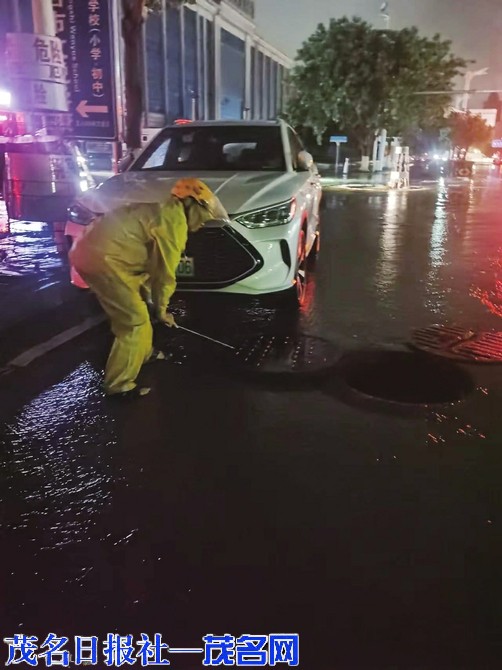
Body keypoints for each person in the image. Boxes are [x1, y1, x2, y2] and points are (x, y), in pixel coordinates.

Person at [70, 178, 229, 399]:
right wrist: (162, 310)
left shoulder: (163, 211)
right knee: (133, 322)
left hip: (101, 255)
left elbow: (150, 265)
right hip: (105, 261)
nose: (204, 222)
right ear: (193, 205)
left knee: (138, 311)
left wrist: (152, 300)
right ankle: (119, 386)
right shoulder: (173, 223)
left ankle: (143, 354)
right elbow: (164, 273)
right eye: (204, 214)